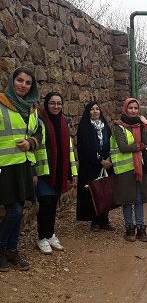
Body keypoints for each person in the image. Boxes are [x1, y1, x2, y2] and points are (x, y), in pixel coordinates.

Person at [0, 67, 42, 272]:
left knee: (19, 209)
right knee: (14, 211)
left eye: (27, 82)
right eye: (19, 80)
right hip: (5, 167)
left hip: (24, 166)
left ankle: (12, 251)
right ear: (12, 81)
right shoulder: (1, 104)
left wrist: (31, 142)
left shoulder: (32, 108)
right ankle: (2, 250)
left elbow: (39, 135)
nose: (23, 85)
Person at [34, 92, 78, 254]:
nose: (56, 106)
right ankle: (42, 238)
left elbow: (70, 150)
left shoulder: (63, 122)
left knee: (53, 205)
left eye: (59, 103)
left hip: (60, 172)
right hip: (45, 172)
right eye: (52, 103)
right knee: (45, 204)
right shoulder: (39, 121)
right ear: (46, 104)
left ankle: (50, 234)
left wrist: (72, 172)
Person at [111, 98, 147, 242]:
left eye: (136, 108)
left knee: (139, 199)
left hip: (140, 167)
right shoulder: (118, 126)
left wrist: (146, 124)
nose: (133, 111)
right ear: (125, 109)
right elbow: (123, 147)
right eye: (131, 108)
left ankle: (141, 228)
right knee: (127, 200)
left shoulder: (141, 124)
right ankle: (129, 228)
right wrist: (139, 146)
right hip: (126, 169)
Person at [76, 101, 114, 232]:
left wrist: (109, 158)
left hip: (106, 164)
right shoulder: (84, 127)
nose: (95, 111)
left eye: (97, 109)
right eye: (92, 109)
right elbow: (86, 148)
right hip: (91, 165)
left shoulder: (105, 126)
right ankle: (95, 220)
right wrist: (100, 160)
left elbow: (111, 142)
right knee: (93, 192)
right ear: (88, 112)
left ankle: (104, 219)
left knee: (105, 191)